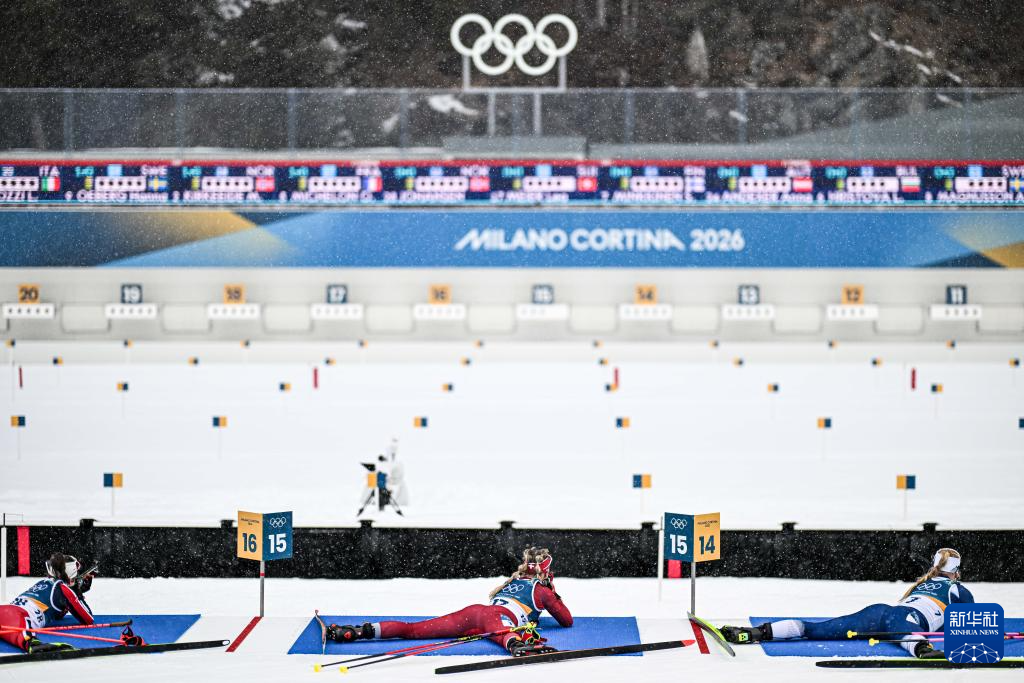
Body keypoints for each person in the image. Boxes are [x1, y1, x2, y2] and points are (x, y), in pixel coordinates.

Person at [718, 548, 973, 659]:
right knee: (900, 627)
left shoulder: (920, 584)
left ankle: (757, 632)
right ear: (956, 571)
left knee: (816, 630)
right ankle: (921, 649)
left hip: (880, 613)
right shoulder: (957, 590)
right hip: (903, 619)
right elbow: (965, 624)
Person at [326, 547, 572, 656]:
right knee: (502, 633)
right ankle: (516, 645)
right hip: (495, 618)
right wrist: (553, 592)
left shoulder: (512, 581)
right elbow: (566, 620)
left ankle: (360, 631)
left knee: (413, 631)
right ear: (544, 572)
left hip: (474, 612)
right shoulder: (542, 591)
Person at [0, 552, 95, 653]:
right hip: (16, 615)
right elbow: (88, 619)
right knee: (29, 642)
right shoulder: (63, 589)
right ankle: (33, 644)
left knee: (17, 632)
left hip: (7, 612)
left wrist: (75, 595)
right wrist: (78, 594)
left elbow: (56, 614)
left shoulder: (44, 582)